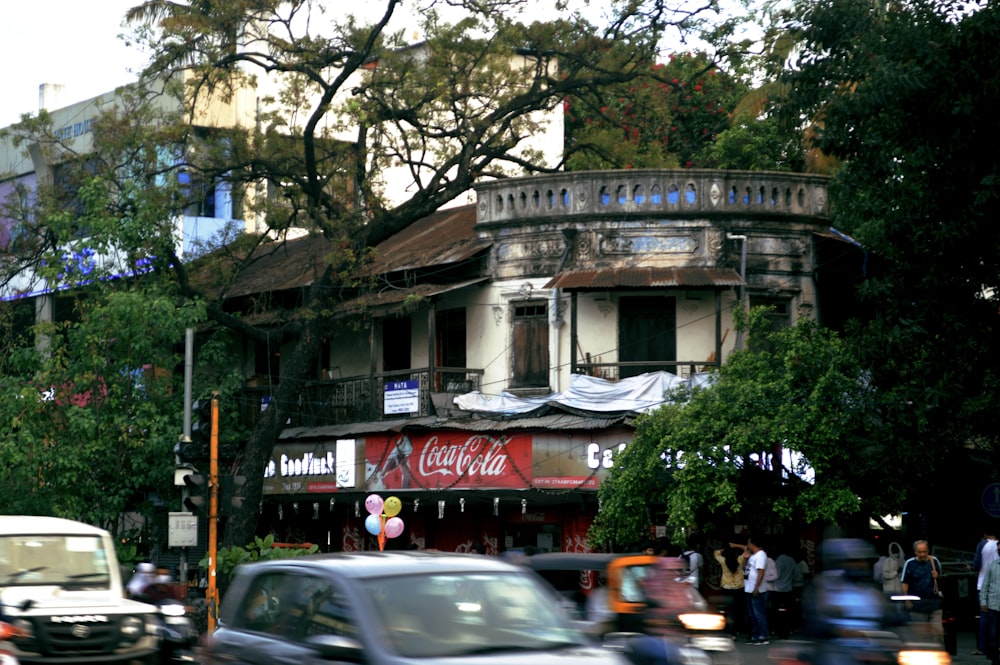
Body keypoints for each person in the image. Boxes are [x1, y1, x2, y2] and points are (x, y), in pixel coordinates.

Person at [801, 538, 896, 665]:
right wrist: (841, 632)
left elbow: (889, 615)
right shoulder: (824, 585)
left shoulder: (871, 589)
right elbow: (815, 621)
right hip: (836, 648)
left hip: (873, 648)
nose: (860, 565)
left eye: (863, 561)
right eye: (854, 561)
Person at [900, 539, 944, 643]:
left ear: (928, 551)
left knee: (938, 633)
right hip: (917, 605)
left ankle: (937, 654)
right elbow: (905, 583)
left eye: (925, 552)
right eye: (920, 552)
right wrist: (906, 600)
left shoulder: (934, 561)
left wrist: (937, 576)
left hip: (934, 603)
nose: (923, 554)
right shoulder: (910, 563)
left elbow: (941, 579)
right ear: (915, 552)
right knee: (920, 635)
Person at [740, 537, 770, 645]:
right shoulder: (752, 556)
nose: (747, 545)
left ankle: (763, 636)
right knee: (752, 614)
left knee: (758, 614)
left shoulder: (761, 555)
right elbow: (744, 568)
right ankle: (755, 636)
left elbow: (760, 572)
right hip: (749, 588)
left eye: (748, 543)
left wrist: (756, 588)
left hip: (756, 589)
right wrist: (744, 558)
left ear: (753, 544)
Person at [975, 527, 999, 655]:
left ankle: (982, 647)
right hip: (997, 585)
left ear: (985, 534)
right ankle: (994, 647)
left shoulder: (982, 545)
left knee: (984, 617)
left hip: (982, 584)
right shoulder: (998, 546)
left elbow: (976, 564)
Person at [715, 544, 747, 637]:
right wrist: (735, 545)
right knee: (739, 609)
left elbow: (716, 552)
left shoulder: (723, 561)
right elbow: (746, 549)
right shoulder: (740, 560)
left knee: (730, 610)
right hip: (739, 588)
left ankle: (732, 632)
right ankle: (739, 629)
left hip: (727, 588)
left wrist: (727, 547)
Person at [772, 542, 798, 639]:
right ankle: (787, 630)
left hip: (778, 589)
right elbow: (796, 574)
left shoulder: (778, 561)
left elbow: (776, 575)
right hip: (788, 589)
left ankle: (778, 630)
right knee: (788, 612)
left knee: (776, 611)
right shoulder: (791, 560)